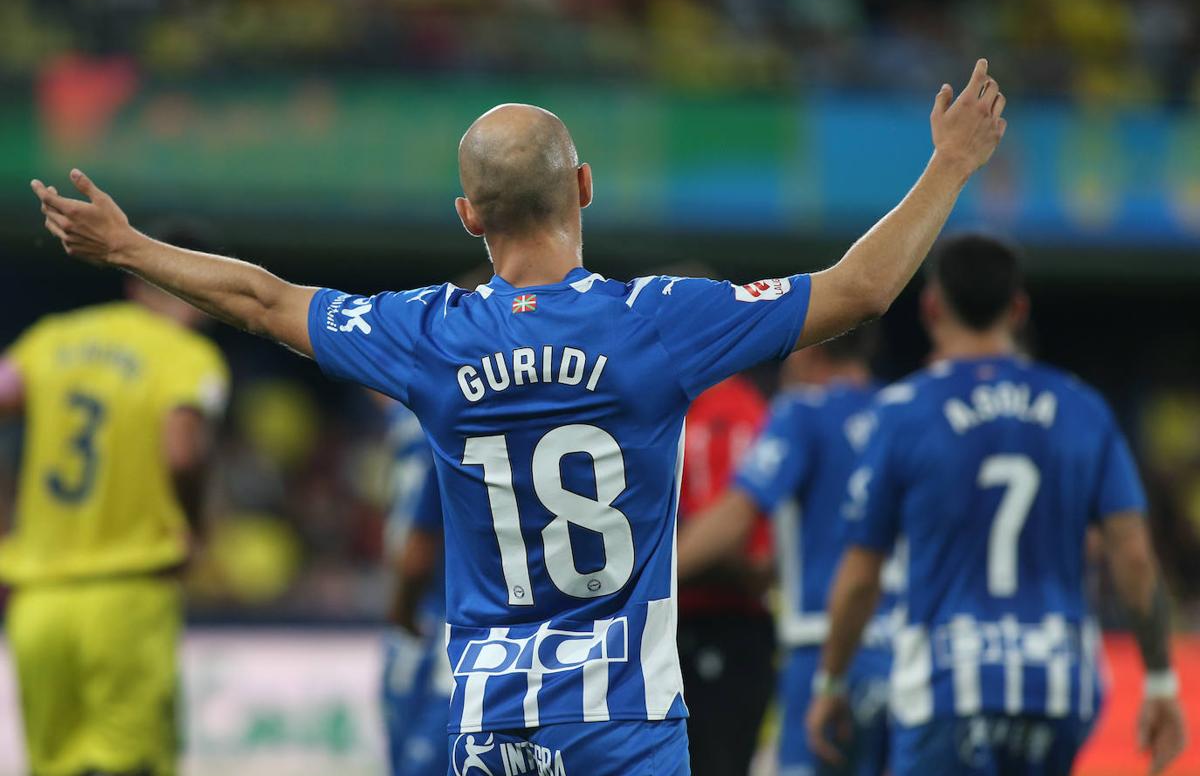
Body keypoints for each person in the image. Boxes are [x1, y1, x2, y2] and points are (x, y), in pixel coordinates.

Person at [30, 59, 1006, 775]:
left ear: (468, 215)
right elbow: (861, 290)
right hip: (624, 725)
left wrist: (128, 246)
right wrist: (950, 166)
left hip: (493, 722)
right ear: (584, 188)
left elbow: (261, 299)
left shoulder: (425, 333)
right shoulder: (654, 323)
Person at [807, 234, 1188, 775]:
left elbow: (861, 575)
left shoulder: (903, 413)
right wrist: (1160, 680)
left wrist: (832, 681)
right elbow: (1133, 558)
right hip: (1058, 687)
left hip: (947, 687)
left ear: (932, 307)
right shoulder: (1083, 407)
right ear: (1018, 309)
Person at [0, 236, 229, 776]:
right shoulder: (187, 355)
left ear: (134, 284)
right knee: (131, 763)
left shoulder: (52, 338)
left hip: (37, 600)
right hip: (129, 592)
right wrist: (194, 526)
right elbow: (181, 452)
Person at [677, 327, 895, 776]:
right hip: (905, 652)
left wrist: (648, 574)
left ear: (808, 348)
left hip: (821, 645)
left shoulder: (801, 413)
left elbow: (739, 513)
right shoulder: (904, 412)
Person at [675, 374, 774, 776]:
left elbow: (736, 545)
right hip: (674, 629)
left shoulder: (728, 412)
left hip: (720, 627)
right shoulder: (678, 403)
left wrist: (638, 576)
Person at [377, 396, 454, 775]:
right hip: (442, 620)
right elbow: (418, 549)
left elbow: (416, 550)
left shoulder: (407, 417)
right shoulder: (449, 422)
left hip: (419, 622)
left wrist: (399, 608)